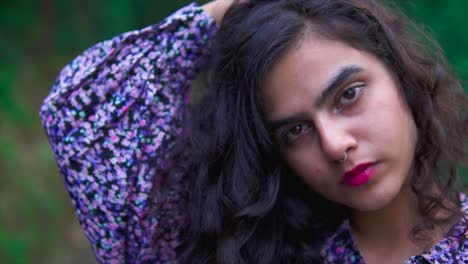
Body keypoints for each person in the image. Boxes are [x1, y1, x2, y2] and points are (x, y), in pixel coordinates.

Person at [40, 0, 468, 263]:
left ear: (402, 78)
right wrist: (234, 8)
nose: (336, 145)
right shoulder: (262, 254)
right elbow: (78, 116)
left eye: (348, 95)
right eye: (296, 130)